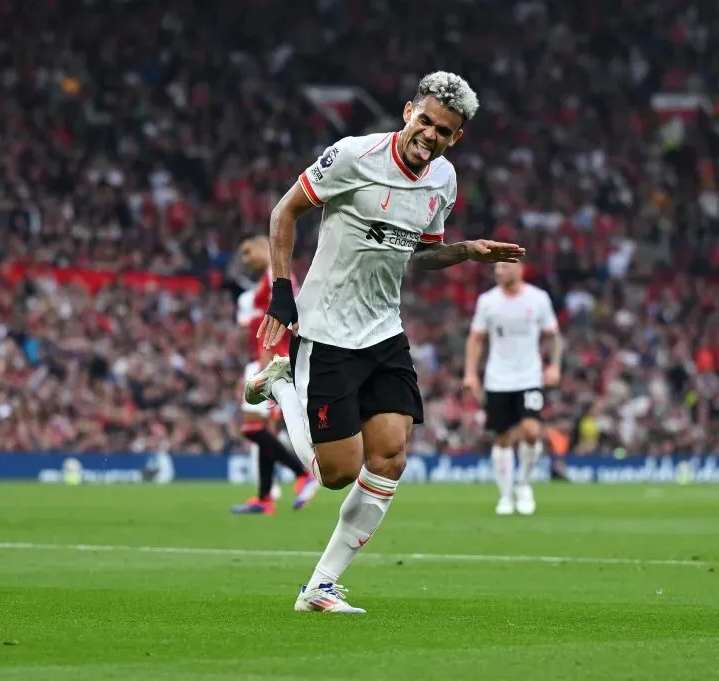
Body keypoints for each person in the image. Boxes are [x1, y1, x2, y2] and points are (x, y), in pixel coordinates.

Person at [245, 71, 525, 613]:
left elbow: (416, 254)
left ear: (455, 137)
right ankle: (281, 387)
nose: (431, 135)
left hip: (384, 333)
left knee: (391, 458)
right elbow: (285, 212)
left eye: (444, 130)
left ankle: (320, 587)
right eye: (425, 121)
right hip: (326, 334)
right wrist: (283, 293)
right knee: (338, 474)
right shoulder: (352, 156)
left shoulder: (443, 180)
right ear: (407, 113)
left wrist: (465, 252)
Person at [463, 261, 562, 515]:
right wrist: (471, 374)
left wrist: (554, 366)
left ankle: (524, 484)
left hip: (530, 377)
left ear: (519, 269)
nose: (498, 271)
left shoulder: (538, 299)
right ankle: (505, 495)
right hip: (498, 378)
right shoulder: (487, 301)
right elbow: (476, 338)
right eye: (495, 268)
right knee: (503, 437)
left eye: (504, 267)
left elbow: (552, 335)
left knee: (531, 431)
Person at [231, 239, 318, 515]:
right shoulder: (268, 278)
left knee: (251, 428)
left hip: (273, 361)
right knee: (262, 430)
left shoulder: (275, 275)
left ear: (263, 247)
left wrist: (264, 364)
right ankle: (265, 498)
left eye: (248, 251)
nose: (245, 258)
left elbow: (284, 316)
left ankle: (303, 473)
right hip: (267, 359)